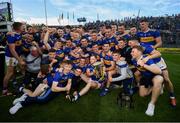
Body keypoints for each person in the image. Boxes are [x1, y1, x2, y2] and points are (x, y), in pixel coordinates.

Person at [9, 61, 73, 115]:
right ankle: (21, 102)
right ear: (63, 66)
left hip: (51, 86)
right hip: (45, 85)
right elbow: (47, 69)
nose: (68, 68)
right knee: (40, 98)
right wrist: (65, 89)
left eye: (69, 67)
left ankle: (25, 96)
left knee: (38, 97)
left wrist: (67, 92)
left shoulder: (68, 73)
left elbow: (69, 83)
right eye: (66, 66)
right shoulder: (57, 72)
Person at [128, 36, 177, 107]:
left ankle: (172, 97)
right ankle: (141, 86)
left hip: (157, 63)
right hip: (148, 64)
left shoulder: (145, 47)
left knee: (166, 80)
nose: (128, 44)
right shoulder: (134, 49)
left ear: (135, 42)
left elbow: (159, 54)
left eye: (130, 42)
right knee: (137, 73)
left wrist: (147, 58)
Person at [131, 45, 163, 116]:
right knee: (142, 95)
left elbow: (159, 71)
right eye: (131, 51)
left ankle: (151, 104)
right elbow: (139, 70)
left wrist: (144, 65)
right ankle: (156, 87)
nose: (131, 53)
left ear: (139, 52)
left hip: (154, 76)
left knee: (159, 79)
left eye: (133, 51)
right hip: (146, 77)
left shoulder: (146, 58)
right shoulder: (133, 60)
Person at [3, 22, 26, 96]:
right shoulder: (11, 35)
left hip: (16, 56)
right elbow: (12, 50)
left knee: (16, 70)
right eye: (22, 26)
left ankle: (14, 81)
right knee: (9, 73)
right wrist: (20, 60)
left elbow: (20, 39)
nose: (24, 27)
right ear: (18, 28)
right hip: (11, 57)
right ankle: (4, 90)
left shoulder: (18, 34)